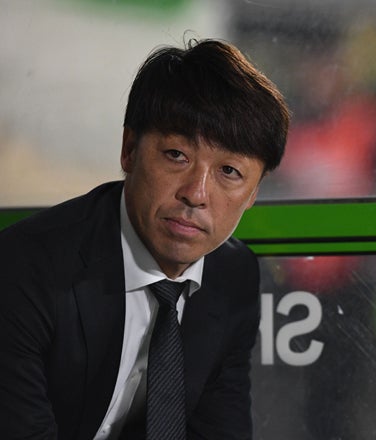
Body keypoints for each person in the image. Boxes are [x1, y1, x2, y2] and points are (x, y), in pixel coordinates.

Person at [0, 38, 289, 439]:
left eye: (229, 172)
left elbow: (220, 428)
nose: (196, 194)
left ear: (254, 194)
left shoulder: (232, 274)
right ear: (129, 150)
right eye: (176, 155)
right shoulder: (24, 269)